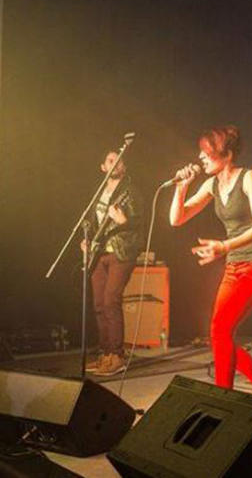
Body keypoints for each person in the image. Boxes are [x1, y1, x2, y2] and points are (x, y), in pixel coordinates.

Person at [168, 125, 252, 397]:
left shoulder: (249, 178)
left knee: (220, 331)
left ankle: (223, 397)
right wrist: (181, 188)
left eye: (206, 153)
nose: (200, 158)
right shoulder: (211, 185)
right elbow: (176, 219)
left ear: (226, 154)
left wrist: (224, 246)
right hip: (233, 265)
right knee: (219, 334)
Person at [84, 150, 143, 377]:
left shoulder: (130, 192)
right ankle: (105, 353)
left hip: (121, 251)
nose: (116, 162)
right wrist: (86, 239)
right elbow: (91, 221)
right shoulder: (98, 192)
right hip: (99, 253)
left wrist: (124, 221)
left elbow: (140, 221)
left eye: (119, 160)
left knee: (111, 300)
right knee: (99, 304)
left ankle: (117, 356)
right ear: (103, 167)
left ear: (124, 167)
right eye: (111, 160)